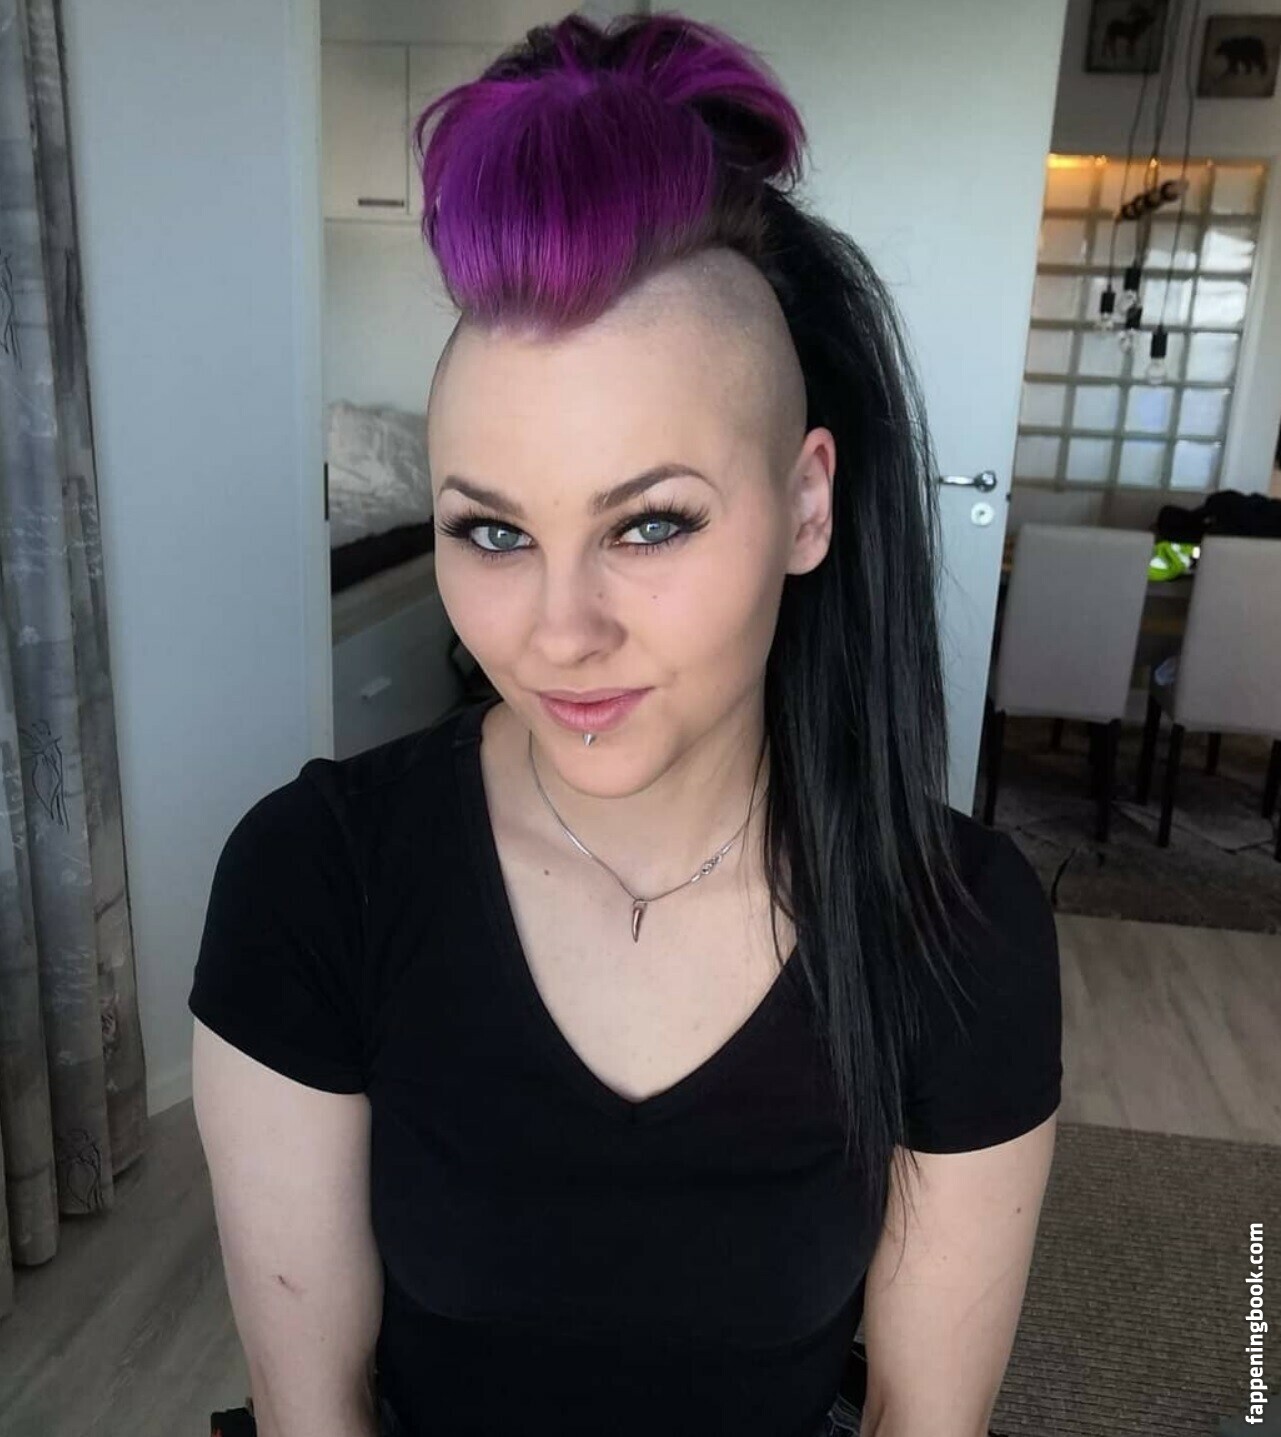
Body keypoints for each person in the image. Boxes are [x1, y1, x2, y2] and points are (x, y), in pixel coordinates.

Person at [188, 11, 1062, 1437]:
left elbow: (926, 1417)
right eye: (492, 530)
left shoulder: (952, 925)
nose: (559, 631)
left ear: (806, 503)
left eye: (650, 523)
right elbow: (310, 1409)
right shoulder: (317, 880)